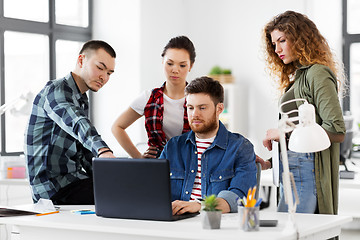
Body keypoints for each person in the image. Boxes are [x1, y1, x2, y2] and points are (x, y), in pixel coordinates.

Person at [259, 11, 345, 214]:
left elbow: (337, 130)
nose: (277, 49)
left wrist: (284, 134)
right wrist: (269, 163)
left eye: (282, 40)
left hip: (306, 173)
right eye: (273, 44)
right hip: (292, 170)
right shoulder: (299, 78)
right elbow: (298, 140)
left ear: (299, 38)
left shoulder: (318, 73)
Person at [25, 40, 117, 204]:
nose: (104, 77)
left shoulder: (80, 99)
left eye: (109, 73)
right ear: (81, 60)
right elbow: (77, 123)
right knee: (119, 195)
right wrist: (103, 150)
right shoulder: (56, 91)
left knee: (122, 188)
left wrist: (108, 174)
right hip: (52, 190)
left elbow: (85, 152)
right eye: (100, 68)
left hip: (72, 182)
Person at [160, 76, 257, 215]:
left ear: (219, 108)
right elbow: (155, 189)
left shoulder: (240, 147)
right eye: (190, 108)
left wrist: (201, 206)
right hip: (174, 224)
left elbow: (239, 196)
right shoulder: (173, 147)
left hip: (214, 224)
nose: (195, 114)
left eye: (202, 108)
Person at [112, 36, 195, 158]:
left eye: (182, 65)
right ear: (163, 62)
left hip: (191, 168)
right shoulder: (148, 98)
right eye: (170, 63)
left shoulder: (197, 99)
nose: (175, 70)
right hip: (157, 167)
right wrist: (138, 157)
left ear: (190, 66)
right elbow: (117, 127)